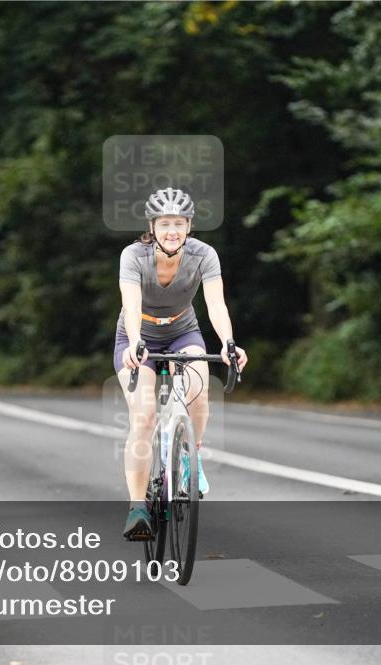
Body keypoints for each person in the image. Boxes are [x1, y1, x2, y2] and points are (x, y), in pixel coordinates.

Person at [115, 187, 247, 540]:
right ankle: (137, 508)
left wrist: (228, 343)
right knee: (143, 417)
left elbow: (216, 305)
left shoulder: (204, 255)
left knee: (199, 395)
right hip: (137, 336)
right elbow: (129, 304)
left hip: (182, 333)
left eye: (179, 223)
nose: (172, 230)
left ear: (189, 226)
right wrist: (136, 343)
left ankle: (190, 458)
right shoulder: (133, 256)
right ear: (153, 227)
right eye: (164, 224)